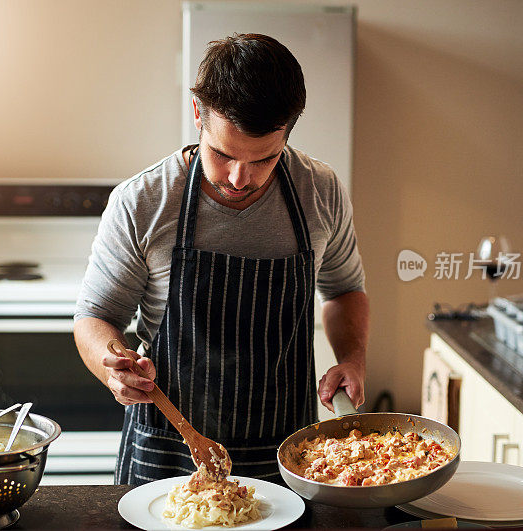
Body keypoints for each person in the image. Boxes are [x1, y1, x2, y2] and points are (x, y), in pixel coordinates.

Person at [74, 33, 368, 485]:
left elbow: (344, 289)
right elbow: (95, 317)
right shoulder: (144, 201)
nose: (238, 178)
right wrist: (113, 366)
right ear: (197, 113)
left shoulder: (319, 191)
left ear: (288, 133)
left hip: (287, 452)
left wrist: (352, 358)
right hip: (170, 445)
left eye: (265, 159)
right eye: (222, 153)